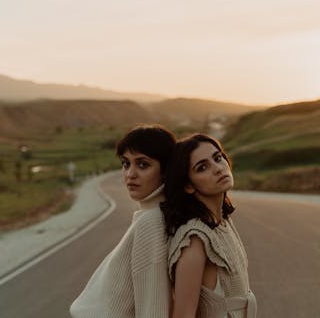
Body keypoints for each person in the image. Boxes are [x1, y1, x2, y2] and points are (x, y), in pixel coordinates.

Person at [70, 124, 176, 318]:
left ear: (166, 170)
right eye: (126, 164)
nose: (130, 174)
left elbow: (154, 307)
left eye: (143, 164)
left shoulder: (152, 223)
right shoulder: (152, 216)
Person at [161, 133, 257, 318]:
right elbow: (183, 315)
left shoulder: (222, 223)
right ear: (189, 186)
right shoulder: (195, 240)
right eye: (202, 167)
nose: (218, 169)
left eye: (218, 158)